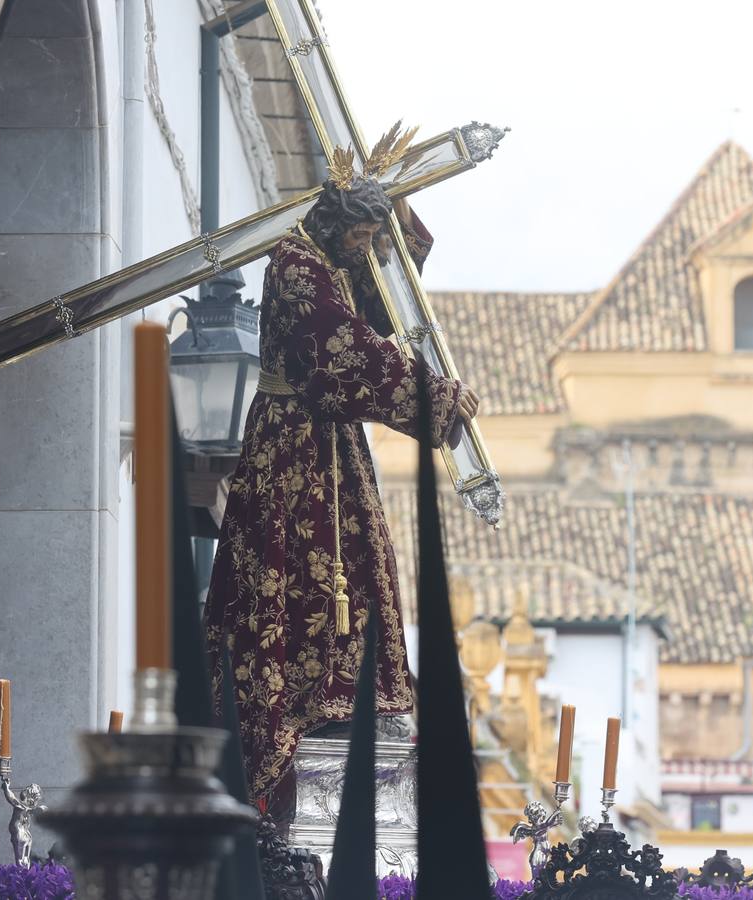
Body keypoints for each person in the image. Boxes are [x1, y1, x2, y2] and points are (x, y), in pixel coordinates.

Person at [203, 134, 479, 820]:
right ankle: (300, 706)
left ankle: (349, 703)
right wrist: (435, 399)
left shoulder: (332, 261)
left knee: (355, 576)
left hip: (331, 449)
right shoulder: (297, 263)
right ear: (340, 223)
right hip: (292, 449)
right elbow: (342, 352)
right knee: (296, 574)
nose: (370, 248)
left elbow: (381, 311)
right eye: (365, 234)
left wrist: (405, 220)